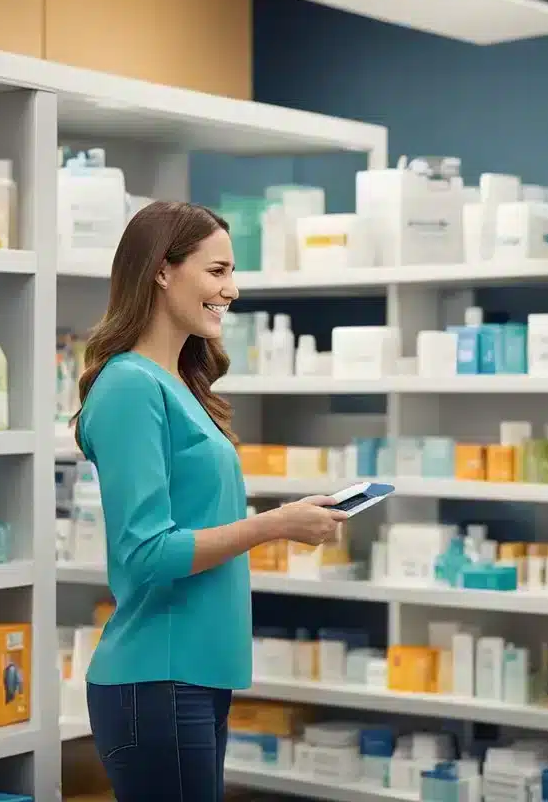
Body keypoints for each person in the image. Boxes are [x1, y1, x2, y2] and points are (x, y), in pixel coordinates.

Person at [72, 201, 347, 801]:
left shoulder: (178, 385)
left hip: (192, 676)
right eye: (217, 271)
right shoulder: (129, 386)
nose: (233, 289)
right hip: (156, 679)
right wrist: (276, 523)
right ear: (162, 272)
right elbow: (147, 553)